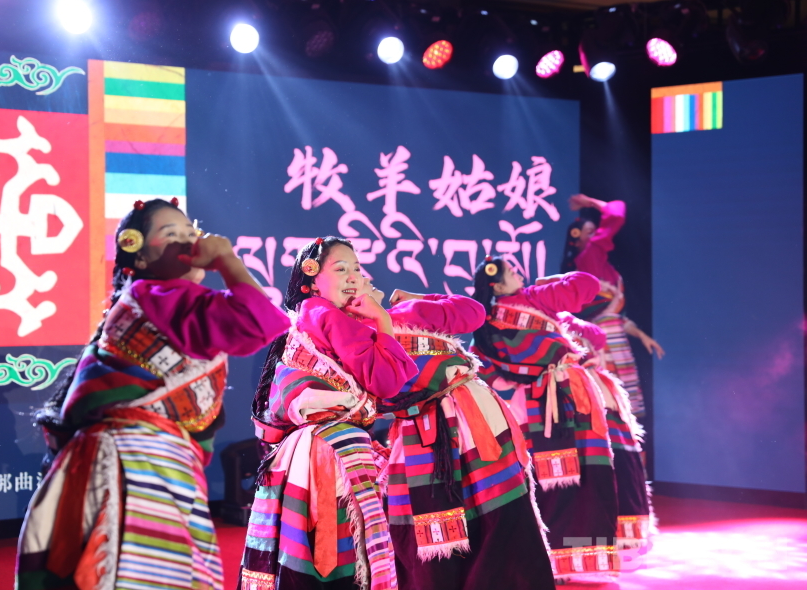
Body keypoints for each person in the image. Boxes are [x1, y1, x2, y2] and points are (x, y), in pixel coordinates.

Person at [16, 198, 289, 590]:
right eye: (171, 234)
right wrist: (226, 259)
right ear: (138, 255)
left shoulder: (156, 300)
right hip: (137, 464)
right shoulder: (160, 295)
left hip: (140, 459)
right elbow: (259, 320)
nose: (188, 243)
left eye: (191, 233)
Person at [240, 237, 416, 590]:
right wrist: (382, 318)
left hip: (313, 449)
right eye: (340, 269)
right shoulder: (327, 315)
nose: (353, 277)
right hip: (330, 453)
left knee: (308, 549)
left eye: (357, 269)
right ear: (312, 279)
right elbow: (387, 381)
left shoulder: (314, 315)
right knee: (337, 553)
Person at [361, 282, 554, 590]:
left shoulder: (409, 311)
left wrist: (420, 297)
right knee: (435, 531)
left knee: (498, 514)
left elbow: (473, 313)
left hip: (472, 419)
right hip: (424, 435)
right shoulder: (360, 335)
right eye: (348, 272)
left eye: (357, 270)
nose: (361, 279)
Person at [470, 256, 620, 582]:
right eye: (512, 271)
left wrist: (517, 391)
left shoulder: (485, 326)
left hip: (526, 410)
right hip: (570, 399)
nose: (519, 274)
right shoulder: (535, 298)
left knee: (540, 486)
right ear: (497, 286)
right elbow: (587, 284)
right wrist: (545, 281)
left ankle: (546, 561)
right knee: (586, 479)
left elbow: (484, 375)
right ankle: (579, 562)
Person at [559, 311, 656, 557]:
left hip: (610, 438)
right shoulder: (582, 375)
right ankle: (608, 544)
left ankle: (619, 543)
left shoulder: (597, 377)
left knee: (619, 482)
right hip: (598, 439)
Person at [561, 195, 664, 418]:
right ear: (576, 240)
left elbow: (616, 317)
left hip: (618, 342)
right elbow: (616, 213)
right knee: (612, 404)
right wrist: (590, 202)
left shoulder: (605, 269)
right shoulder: (588, 257)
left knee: (624, 408)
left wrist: (641, 335)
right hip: (603, 343)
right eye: (590, 233)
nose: (596, 236)